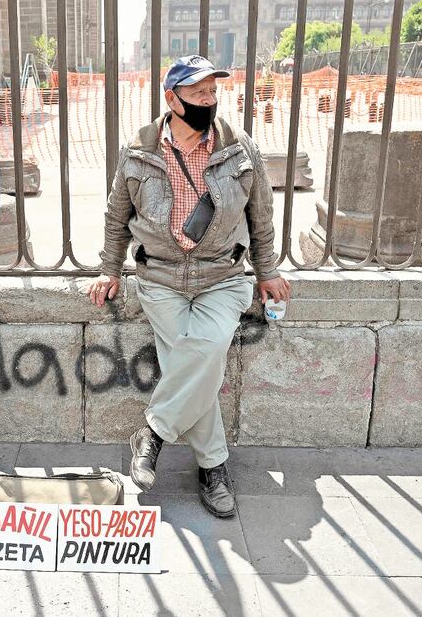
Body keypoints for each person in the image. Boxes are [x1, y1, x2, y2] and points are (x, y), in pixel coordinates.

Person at [87, 55, 290, 518]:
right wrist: (109, 269)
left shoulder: (240, 150)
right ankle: (212, 469)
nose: (208, 100)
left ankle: (153, 434)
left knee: (205, 346)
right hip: (159, 278)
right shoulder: (139, 151)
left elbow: (261, 218)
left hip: (222, 277)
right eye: (198, 93)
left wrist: (268, 270)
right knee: (200, 361)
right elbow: (118, 217)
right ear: (171, 98)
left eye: (213, 92)